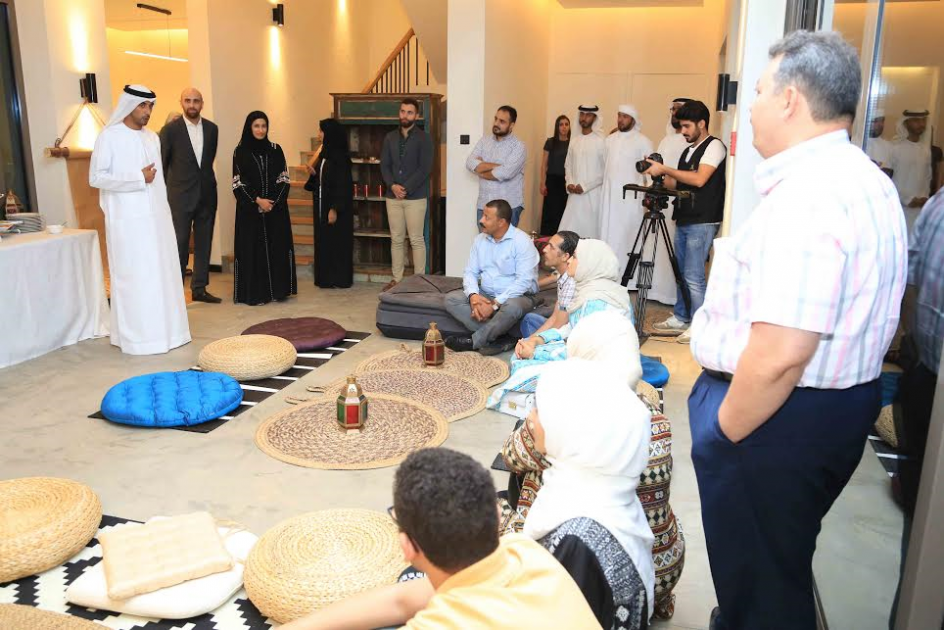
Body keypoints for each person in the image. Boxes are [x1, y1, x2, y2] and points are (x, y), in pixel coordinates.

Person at [687, 31, 907, 630]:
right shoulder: (865, 178)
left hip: (776, 419)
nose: (750, 107)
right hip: (826, 410)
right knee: (774, 567)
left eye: (758, 92)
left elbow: (783, 354)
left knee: (762, 590)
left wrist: (722, 434)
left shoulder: (810, 195)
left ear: (789, 100)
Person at [280, 447, 603, 630]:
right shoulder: (525, 552)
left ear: (407, 547)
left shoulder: (438, 625)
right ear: (496, 516)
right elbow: (399, 600)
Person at [501, 311, 685, 622]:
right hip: (659, 564)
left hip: (588, 574)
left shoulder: (566, 415)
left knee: (524, 479)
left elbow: (510, 455)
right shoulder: (649, 417)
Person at [89, 84, 191, 355]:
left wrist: (165, 216)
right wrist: (137, 178)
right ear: (128, 105)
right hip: (128, 223)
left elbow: (158, 184)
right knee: (135, 279)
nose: (147, 111)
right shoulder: (109, 137)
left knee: (160, 277)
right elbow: (96, 177)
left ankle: (168, 334)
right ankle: (137, 339)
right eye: (142, 106)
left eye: (150, 106)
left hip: (156, 221)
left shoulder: (152, 138)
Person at [888, 189, 944, 627]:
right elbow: (910, 278)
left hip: (927, 370)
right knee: (922, 521)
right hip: (926, 375)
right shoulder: (938, 204)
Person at [644, 100, 727, 343]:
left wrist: (666, 169)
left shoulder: (714, 146)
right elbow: (677, 183)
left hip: (703, 220)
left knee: (693, 276)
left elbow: (699, 179)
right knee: (681, 273)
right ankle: (682, 316)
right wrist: (657, 175)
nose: (683, 131)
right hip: (684, 217)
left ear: (702, 123)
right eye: (681, 126)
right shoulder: (688, 150)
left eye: (687, 126)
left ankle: (700, 326)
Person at [443, 199, 539, 355]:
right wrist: (473, 296)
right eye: (483, 215)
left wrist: (494, 305)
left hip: (518, 295)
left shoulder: (522, 242)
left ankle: (475, 341)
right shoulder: (479, 240)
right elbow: (470, 272)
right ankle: (500, 337)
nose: (481, 220)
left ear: (501, 222)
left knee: (512, 307)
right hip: (486, 293)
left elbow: (523, 282)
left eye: (487, 217)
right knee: (451, 299)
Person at [160, 87, 220, 303]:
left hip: (207, 195)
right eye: (188, 100)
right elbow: (163, 164)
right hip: (179, 197)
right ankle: (175, 292)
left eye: (196, 101)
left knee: (204, 242)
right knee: (180, 243)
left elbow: (206, 162)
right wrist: (166, 194)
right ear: (181, 103)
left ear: (202, 104)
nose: (192, 105)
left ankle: (199, 289)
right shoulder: (169, 131)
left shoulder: (212, 129)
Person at [232, 111, 297, 304]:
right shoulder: (240, 152)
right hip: (250, 213)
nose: (260, 130)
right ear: (249, 128)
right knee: (254, 252)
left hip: (276, 211)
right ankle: (257, 294)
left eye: (263, 126)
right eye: (256, 126)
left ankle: (278, 291)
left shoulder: (276, 150)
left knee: (277, 250)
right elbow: (238, 183)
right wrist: (258, 201)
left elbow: (284, 179)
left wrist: (272, 203)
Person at [380, 97, 433, 292]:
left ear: (416, 116)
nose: (405, 115)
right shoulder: (390, 137)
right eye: (403, 111)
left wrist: (405, 188)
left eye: (410, 112)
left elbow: (425, 168)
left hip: (416, 197)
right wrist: (392, 186)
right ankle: (396, 280)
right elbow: (384, 165)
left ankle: (419, 281)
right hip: (392, 196)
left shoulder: (424, 138)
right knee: (396, 239)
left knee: (416, 239)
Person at [599, 105, 653, 284]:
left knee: (628, 237)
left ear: (633, 120)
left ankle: (629, 280)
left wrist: (649, 196)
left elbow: (650, 171)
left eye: (625, 116)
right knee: (609, 235)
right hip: (609, 199)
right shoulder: (609, 140)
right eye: (619, 116)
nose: (620, 120)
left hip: (631, 200)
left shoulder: (643, 141)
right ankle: (608, 276)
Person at [648, 98, 693, 306]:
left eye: (678, 109)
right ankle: (655, 291)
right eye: (673, 109)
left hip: (680, 203)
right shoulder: (666, 140)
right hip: (661, 199)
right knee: (657, 247)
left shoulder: (690, 141)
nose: (674, 113)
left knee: (674, 249)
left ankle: (674, 296)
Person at [305, 117, 354, 289]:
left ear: (330, 133)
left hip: (334, 210)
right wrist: (314, 174)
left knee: (337, 243)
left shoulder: (340, 157)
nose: (319, 134)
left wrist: (334, 208)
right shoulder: (325, 154)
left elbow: (343, 185)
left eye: (321, 131)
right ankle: (326, 278)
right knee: (326, 243)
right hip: (322, 207)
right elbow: (323, 180)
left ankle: (339, 278)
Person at [465, 106, 527, 227]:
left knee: (505, 240)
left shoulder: (519, 146)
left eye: (502, 121)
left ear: (512, 125)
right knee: (484, 240)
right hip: (484, 205)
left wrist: (481, 169)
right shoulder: (484, 141)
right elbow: (470, 163)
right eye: (496, 119)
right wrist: (498, 166)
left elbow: (506, 173)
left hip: (508, 208)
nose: (496, 123)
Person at [519, 230, 579, 339]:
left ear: (565, 256)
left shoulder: (570, 283)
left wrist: (534, 342)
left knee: (529, 323)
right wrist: (530, 340)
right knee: (529, 319)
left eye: (551, 247)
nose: (545, 249)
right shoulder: (563, 277)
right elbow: (554, 317)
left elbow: (558, 327)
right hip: (562, 327)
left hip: (568, 336)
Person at [559, 105, 606, 239]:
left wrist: (585, 186)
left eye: (588, 115)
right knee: (567, 234)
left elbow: (604, 171)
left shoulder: (601, 141)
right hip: (574, 196)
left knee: (590, 235)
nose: (584, 118)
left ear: (595, 118)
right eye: (582, 114)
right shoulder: (574, 140)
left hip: (593, 197)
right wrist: (569, 182)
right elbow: (568, 165)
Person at [891, 109, 932, 230]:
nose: (921, 124)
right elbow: (888, 178)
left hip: (920, 209)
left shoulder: (925, 150)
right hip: (899, 207)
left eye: (923, 120)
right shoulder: (894, 148)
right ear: (905, 123)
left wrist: (924, 197)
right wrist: (906, 199)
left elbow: (927, 177)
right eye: (916, 120)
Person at [539, 115, 571, 235]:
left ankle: (560, 237)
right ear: (557, 127)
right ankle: (546, 237)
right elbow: (544, 164)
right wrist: (543, 183)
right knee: (550, 210)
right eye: (561, 124)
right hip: (552, 180)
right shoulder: (550, 142)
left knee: (562, 210)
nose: (564, 127)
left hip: (566, 181)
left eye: (566, 124)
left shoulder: (572, 143)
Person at [865, 108, 894, 178]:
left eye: (882, 121)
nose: (880, 124)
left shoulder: (888, 146)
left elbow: (888, 172)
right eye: (875, 121)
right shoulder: (856, 142)